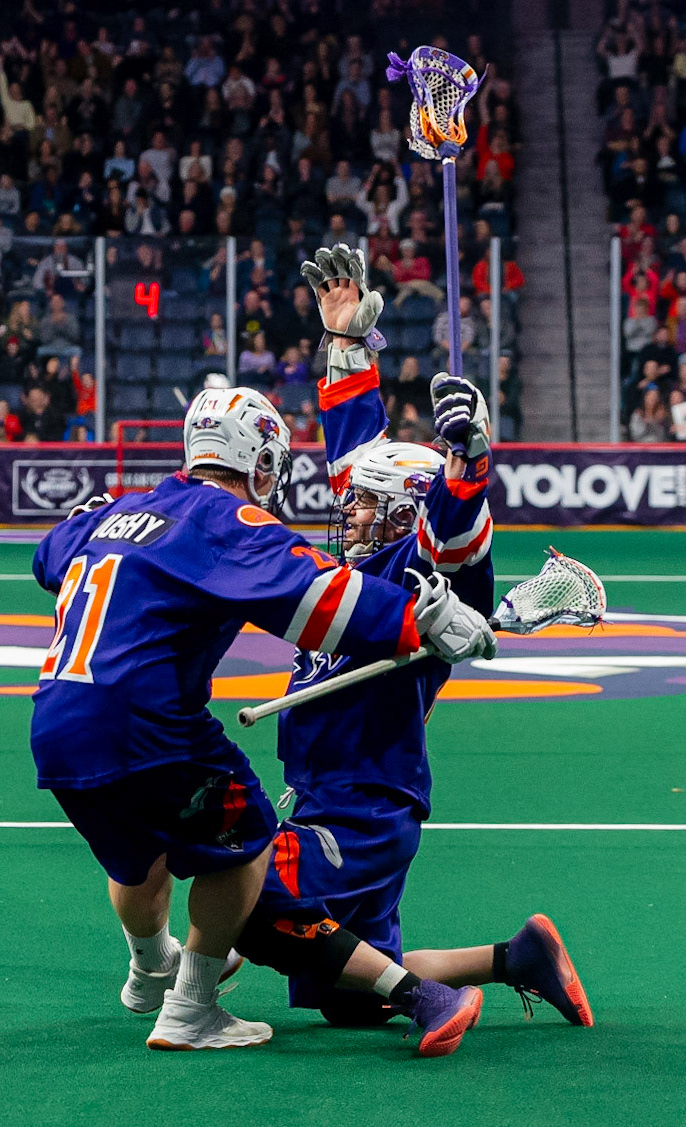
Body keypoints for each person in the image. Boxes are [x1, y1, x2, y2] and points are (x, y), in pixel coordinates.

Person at [29, 384, 498, 1052]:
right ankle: (191, 1008)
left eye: (366, 500)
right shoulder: (226, 520)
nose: (349, 508)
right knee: (246, 838)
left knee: (147, 862)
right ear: (256, 460)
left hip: (56, 722)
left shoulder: (122, 507)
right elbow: (311, 591)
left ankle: (151, 963)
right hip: (149, 721)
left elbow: (48, 555)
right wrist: (412, 617)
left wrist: (353, 357)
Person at [234, 243, 593, 1036]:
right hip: (343, 798)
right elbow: (358, 448)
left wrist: (467, 460)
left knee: (238, 886)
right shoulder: (366, 554)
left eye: (364, 504)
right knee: (347, 992)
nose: (345, 508)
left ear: (402, 515)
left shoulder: (418, 572)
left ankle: (178, 995)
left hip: (359, 809)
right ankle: (516, 956)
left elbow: (455, 536)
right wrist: (347, 345)